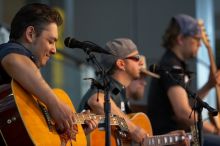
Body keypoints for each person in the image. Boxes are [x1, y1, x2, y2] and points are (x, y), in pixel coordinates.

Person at [0, 3, 97, 145]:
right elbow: (14, 59)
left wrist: (70, 129)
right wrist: (54, 103)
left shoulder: (29, 88)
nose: (54, 50)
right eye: (51, 41)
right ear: (30, 34)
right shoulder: (10, 50)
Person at [78, 38, 190, 145]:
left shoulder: (121, 93)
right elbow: (97, 101)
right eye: (136, 57)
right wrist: (133, 129)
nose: (141, 63)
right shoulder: (106, 85)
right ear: (121, 64)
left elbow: (132, 140)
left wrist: (167, 140)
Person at [146, 14, 220, 146]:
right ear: (180, 39)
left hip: (183, 134)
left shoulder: (177, 64)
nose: (200, 45)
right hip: (172, 138)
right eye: (196, 39)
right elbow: (183, 113)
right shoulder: (171, 66)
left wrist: (209, 85)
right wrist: (214, 130)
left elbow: (187, 105)